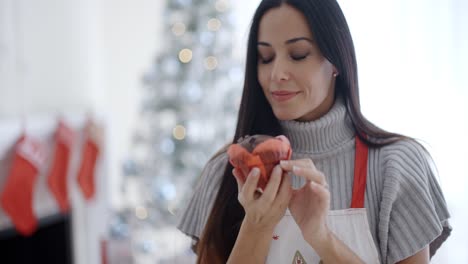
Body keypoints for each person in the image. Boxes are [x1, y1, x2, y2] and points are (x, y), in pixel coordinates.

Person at [177, 0, 451, 263]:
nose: (277, 74)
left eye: (298, 55)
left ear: (336, 61)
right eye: (265, 57)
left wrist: (321, 237)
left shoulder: (396, 166)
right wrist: (256, 225)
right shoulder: (226, 173)